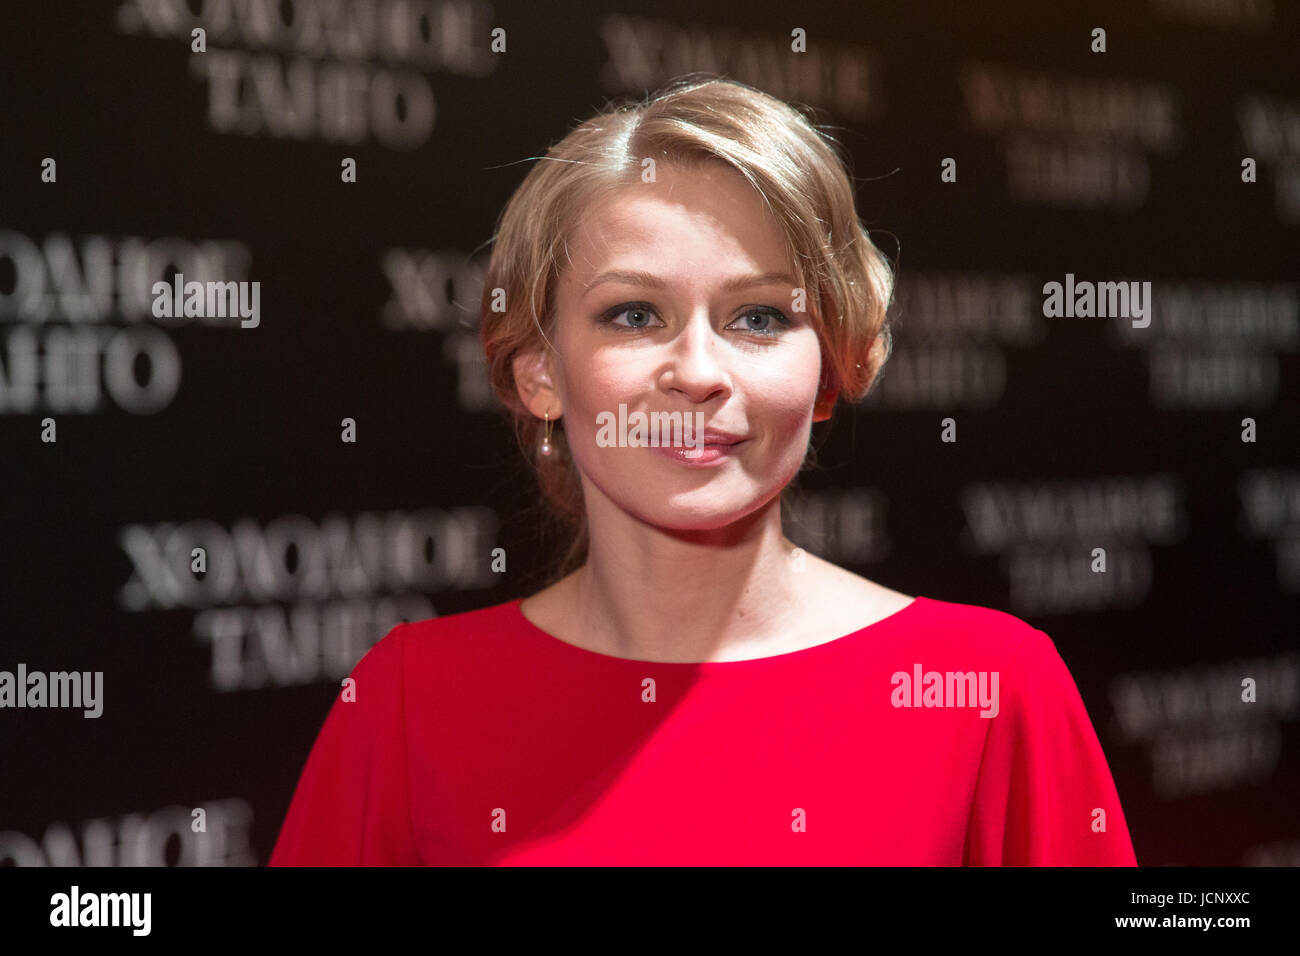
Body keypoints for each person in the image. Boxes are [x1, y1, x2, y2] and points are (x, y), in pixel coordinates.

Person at [269, 75, 1137, 866]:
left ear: (830, 368)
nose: (699, 369)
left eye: (758, 317)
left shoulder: (988, 690)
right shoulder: (408, 702)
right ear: (538, 370)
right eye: (634, 313)